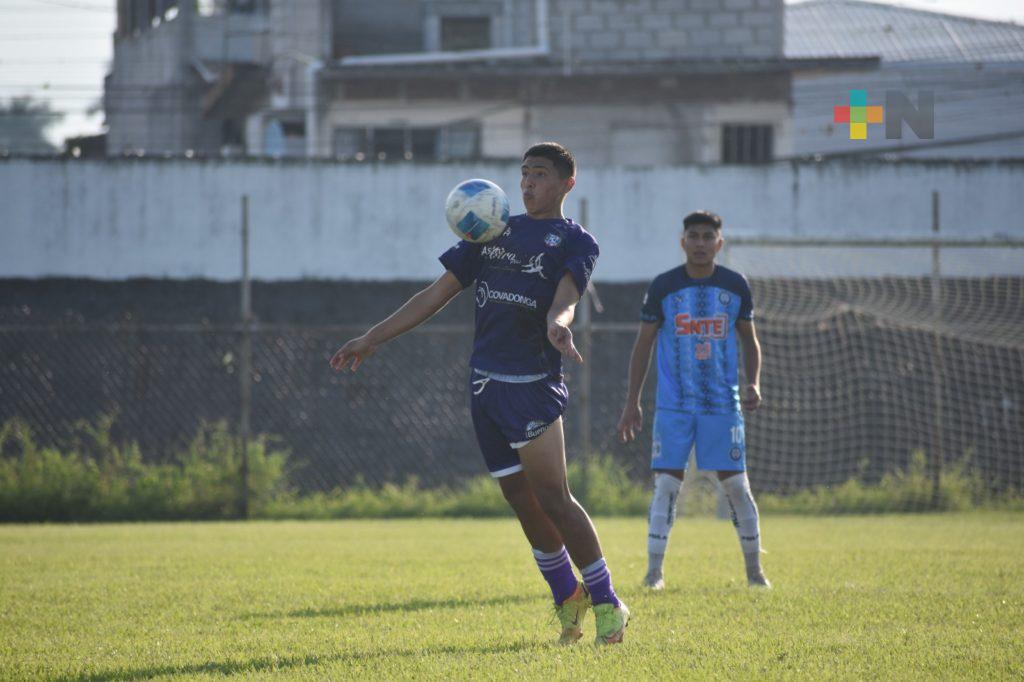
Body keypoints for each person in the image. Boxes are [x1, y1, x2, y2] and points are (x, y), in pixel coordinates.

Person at [330, 142, 629, 645]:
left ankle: (607, 603)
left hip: (531, 385)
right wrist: (372, 337)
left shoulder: (575, 241)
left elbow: (567, 297)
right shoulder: (491, 229)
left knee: (554, 498)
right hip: (485, 385)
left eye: (540, 174)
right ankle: (567, 597)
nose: (528, 183)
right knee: (520, 499)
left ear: (567, 184)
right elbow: (435, 293)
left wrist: (558, 323)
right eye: (524, 173)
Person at [616, 209, 770, 590]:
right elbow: (643, 344)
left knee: (737, 487)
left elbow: (750, 341)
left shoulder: (735, 286)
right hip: (675, 406)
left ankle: (755, 573)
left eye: (708, 237)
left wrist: (753, 383)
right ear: (682, 242)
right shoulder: (664, 286)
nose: (700, 243)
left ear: (719, 243)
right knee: (666, 485)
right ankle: (654, 573)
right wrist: (632, 401)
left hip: (722, 406)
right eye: (694, 236)